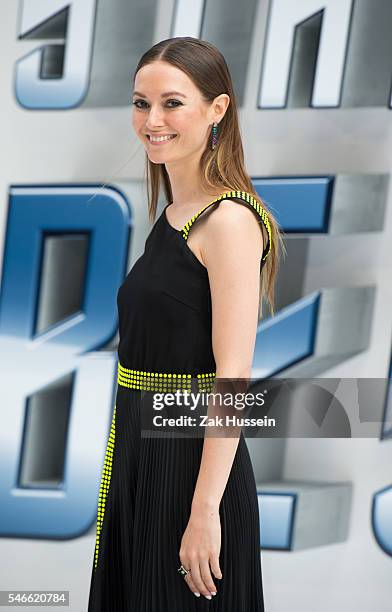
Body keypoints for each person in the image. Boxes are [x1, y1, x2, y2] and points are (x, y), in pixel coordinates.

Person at [87, 36, 283, 611]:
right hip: (139, 458)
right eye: (141, 103)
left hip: (190, 467)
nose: (152, 120)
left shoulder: (228, 219)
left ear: (216, 109)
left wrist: (204, 513)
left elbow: (235, 373)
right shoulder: (172, 215)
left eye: (172, 103)